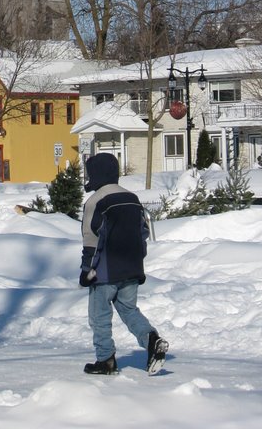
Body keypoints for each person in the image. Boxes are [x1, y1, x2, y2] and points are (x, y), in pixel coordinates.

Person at [79, 153, 168, 376]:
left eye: (89, 173)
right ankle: (151, 340)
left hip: (105, 270)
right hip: (132, 267)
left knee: (99, 315)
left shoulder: (95, 201)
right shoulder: (132, 198)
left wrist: (86, 270)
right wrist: (137, 259)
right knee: (129, 310)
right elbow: (143, 232)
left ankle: (106, 360)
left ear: (97, 174)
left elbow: (91, 238)